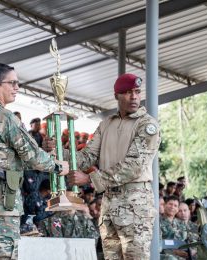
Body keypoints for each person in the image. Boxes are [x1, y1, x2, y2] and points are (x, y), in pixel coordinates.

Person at [0, 63, 68, 260]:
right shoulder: (5, 117)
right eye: (12, 83)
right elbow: (33, 156)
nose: (17, 87)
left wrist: (42, 151)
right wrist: (58, 166)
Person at [45, 73, 160, 259]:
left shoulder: (147, 124)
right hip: (109, 202)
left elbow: (135, 166)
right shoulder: (106, 124)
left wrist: (90, 179)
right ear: (116, 96)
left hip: (135, 202)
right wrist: (56, 151)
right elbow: (85, 157)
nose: (134, 97)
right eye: (128, 92)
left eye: (137, 92)